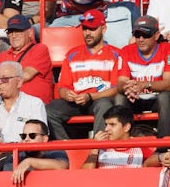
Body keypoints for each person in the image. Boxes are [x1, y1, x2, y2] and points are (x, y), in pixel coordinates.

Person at [47, 10, 123, 141]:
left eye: (92, 29)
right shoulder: (72, 54)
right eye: (85, 28)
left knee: (104, 104)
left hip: (99, 100)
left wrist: (90, 96)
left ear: (103, 29)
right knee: (49, 110)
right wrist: (67, 94)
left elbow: (117, 89)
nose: (87, 33)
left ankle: (98, 149)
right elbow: (63, 86)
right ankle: (66, 148)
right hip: (76, 102)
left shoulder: (116, 54)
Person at [116, 16, 170, 136]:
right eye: (137, 35)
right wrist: (127, 88)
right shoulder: (125, 51)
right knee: (120, 98)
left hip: (161, 99)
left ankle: (165, 147)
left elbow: (168, 84)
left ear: (156, 35)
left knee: (165, 98)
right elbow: (120, 83)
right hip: (136, 98)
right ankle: (121, 145)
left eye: (146, 35)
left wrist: (145, 84)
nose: (141, 39)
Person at [0, 60, 47, 144]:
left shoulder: (34, 104)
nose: (0, 83)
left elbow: (38, 139)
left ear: (19, 82)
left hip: (20, 153)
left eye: (5, 79)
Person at [6, 120, 69, 186]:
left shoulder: (55, 150)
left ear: (45, 139)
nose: (26, 139)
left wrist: (30, 162)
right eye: (23, 136)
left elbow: (62, 166)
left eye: (32, 135)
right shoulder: (16, 156)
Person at [81, 108, 146, 169]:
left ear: (126, 127)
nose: (106, 129)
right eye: (106, 124)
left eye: (112, 124)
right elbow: (83, 176)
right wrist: (94, 149)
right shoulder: (100, 148)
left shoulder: (141, 147)